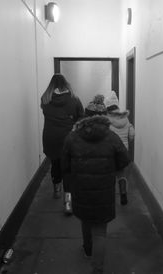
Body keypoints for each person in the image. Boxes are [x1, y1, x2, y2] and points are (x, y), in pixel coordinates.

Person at [62, 95, 130, 274]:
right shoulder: (112, 137)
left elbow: (65, 165)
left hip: (81, 190)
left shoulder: (72, 137)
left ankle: (87, 249)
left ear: (84, 117)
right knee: (100, 231)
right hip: (104, 192)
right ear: (104, 118)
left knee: (85, 220)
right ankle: (97, 269)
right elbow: (124, 160)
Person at [41, 73, 84, 206]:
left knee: (55, 163)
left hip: (50, 137)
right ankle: (68, 203)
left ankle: (57, 190)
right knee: (68, 170)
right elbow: (81, 117)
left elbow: (46, 112)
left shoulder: (45, 99)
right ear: (66, 84)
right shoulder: (74, 99)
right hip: (68, 137)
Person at [104, 91, 135, 205]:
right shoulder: (125, 119)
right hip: (123, 151)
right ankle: (123, 193)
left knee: (109, 174)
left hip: (110, 151)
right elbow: (132, 133)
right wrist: (127, 140)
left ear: (107, 106)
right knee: (121, 173)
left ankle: (109, 197)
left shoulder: (106, 120)